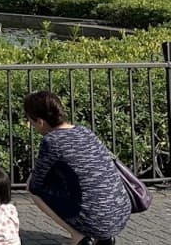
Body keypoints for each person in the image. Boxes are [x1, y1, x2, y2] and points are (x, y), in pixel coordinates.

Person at [24, 91, 130, 245]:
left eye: (31, 122)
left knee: (32, 189)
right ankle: (103, 238)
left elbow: (36, 184)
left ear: (40, 122)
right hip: (120, 213)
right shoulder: (85, 131)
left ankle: (79, 237)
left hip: (97, 219)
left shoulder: (51, 141)